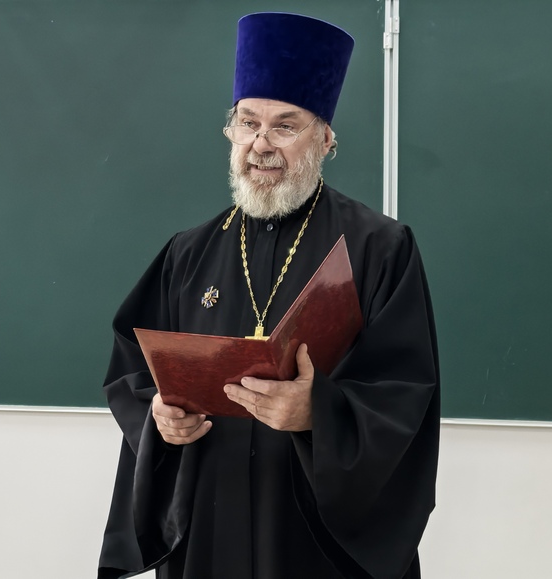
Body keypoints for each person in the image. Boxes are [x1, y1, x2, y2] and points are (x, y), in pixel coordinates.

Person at [99, 12, 439, 579]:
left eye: (285, 126)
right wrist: (158, 418)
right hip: (209, 523)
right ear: (230, 130)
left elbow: (404, 396)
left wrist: (318, 414)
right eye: (248, 122)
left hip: (315, 541)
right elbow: (132, 369)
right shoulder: (189, 252)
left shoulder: (380, 248)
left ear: (325, 139)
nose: (261, 143)